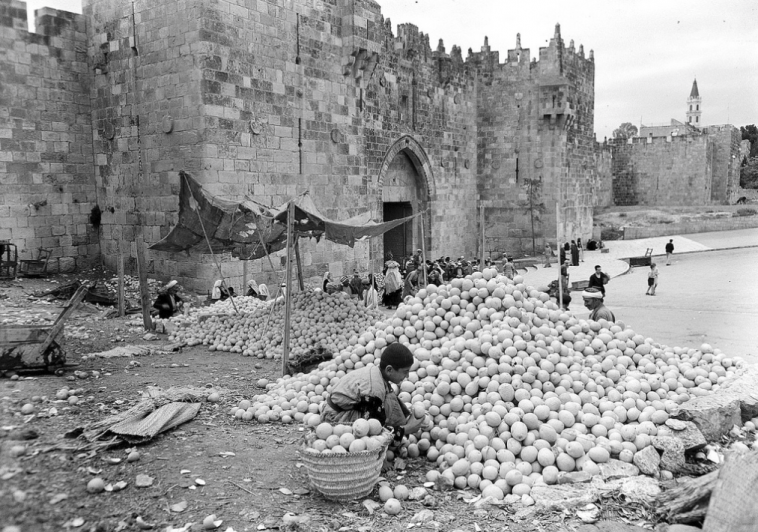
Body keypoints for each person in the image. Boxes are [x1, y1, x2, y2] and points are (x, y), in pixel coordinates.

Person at [320, 343, 431, 439]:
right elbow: (374, 430)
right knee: (375, 432)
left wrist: (407, 415)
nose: (407, 375)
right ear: (389, 370)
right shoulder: (374, 391)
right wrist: (407, 429)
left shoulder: (376, 372)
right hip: (334, 419)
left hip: (343, 408)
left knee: (390, 399)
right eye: (405, 371)